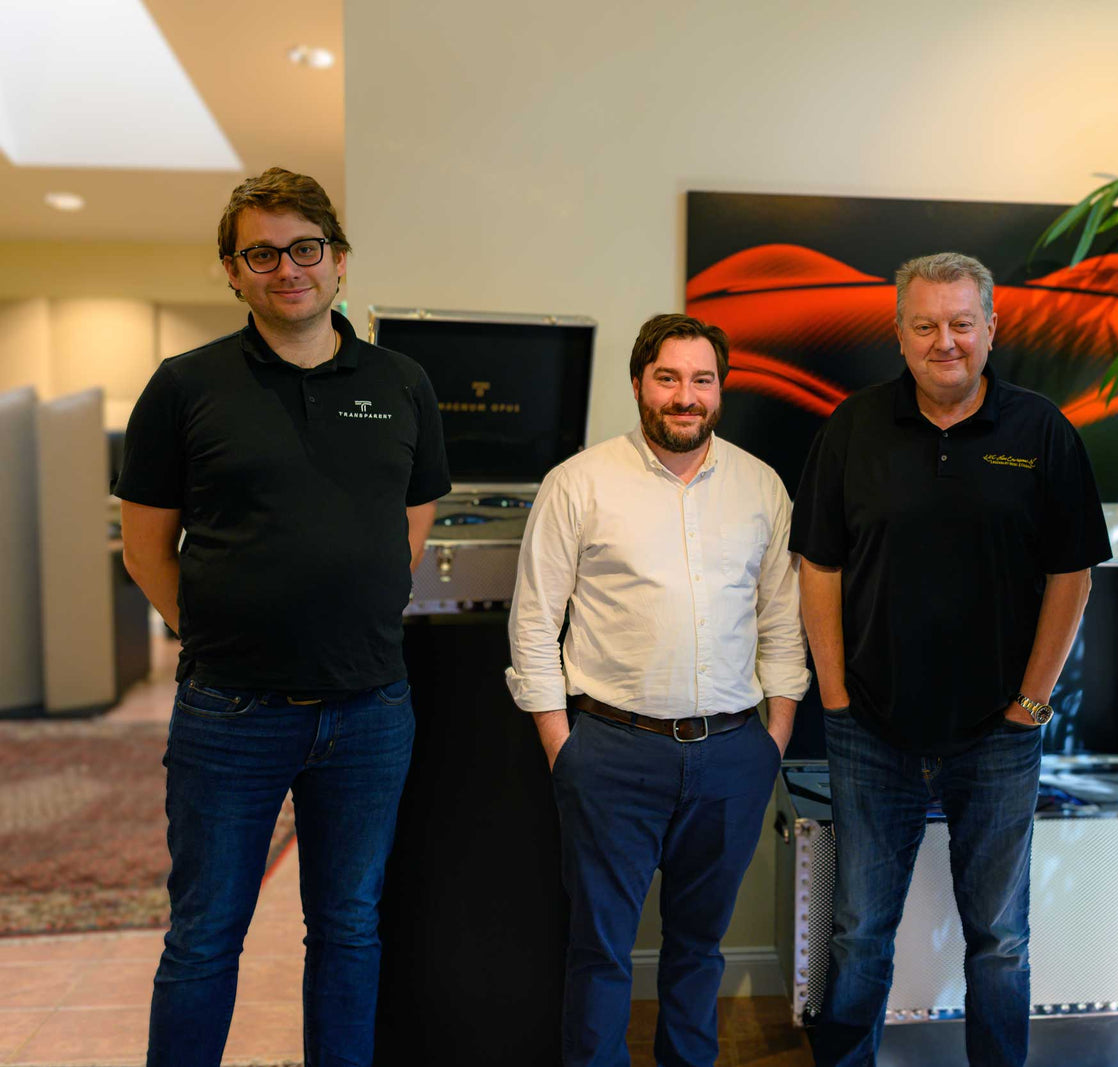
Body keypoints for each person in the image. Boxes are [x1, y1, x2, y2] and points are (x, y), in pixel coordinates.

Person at [116, 167, 450, 1067]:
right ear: (232, 272)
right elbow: (144, 544)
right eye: (260, 252)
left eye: (305, 248)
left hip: (371, 709)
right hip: (230, 711)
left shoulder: (403, 381)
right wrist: (215, 629)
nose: (286, 267)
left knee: (347, 928)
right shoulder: (186, 386)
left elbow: (410, 523)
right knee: (204, 934)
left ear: (339, 262)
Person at [790, 252, 1112, 1067]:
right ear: (898, 333)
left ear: (991, 328)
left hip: (999, 736)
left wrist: (1032, 703)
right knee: (860, 930)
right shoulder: (851, 429)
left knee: (1001, 938)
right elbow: (818, 567)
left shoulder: (1041, 431)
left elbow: (1071, 572)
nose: (946, 341)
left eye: (962, 323)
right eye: (925, 324)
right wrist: (832, 693)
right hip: (870, 728)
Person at [506, 312, 810, 1067]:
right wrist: (562, 746)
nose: (685, 396)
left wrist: (772, 740)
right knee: (601, 950)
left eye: (701, 379)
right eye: (668, 378)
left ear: (720, 388)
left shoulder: (760, 486)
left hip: (733, 755)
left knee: (699, 948)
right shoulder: (578, 483)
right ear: (640, 383)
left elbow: (782, 619)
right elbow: (534, 623)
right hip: (610, 752)